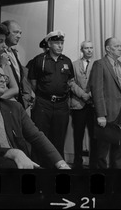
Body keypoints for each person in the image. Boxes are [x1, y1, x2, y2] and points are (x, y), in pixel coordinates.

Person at [0, 61, 70, 169]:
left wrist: (61, 163)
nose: (2, 80)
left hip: (21, 165)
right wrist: (12, 152)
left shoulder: (15, 108)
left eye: (4, 77)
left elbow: (37, 137)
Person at [28, 30, 74, 160]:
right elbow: (33, 82)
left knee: (59, 138)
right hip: (43, 104)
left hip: (61, 106)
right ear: (49, 44)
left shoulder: (67, 61)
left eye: (62, 43)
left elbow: (70, 82)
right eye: (57, 43)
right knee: (40, 137)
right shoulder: (39, 60)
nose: (60, 46)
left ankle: (57, 167)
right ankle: (38, 167)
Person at [89, 37, 121, 169]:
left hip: (120, 111)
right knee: (102, 150)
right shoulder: (100, 64)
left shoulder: (120, 65)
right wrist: (100, 114)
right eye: (116, 46)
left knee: (118, 147)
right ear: (108, 49)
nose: (120, 48)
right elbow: (97, 90)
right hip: (106, 112)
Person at [68, 41, 97, 169]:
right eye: (86, 48)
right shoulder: (73, 65)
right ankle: (77, 162)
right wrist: (82, 95)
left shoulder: (98, 64)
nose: (89, 50)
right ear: (82, 50)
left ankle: (94, 163)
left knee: (94, 135)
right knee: (78, 135)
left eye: (91, 48)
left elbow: (100, 82)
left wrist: (90, 94)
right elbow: (70, 82)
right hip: (78, 105)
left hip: (93, 105)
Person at [1, 20, 31, 109]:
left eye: (20, 33)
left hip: (19, 99)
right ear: (6, 33)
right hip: (6, 99)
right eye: (15, 32)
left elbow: (20, 76)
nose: (19, 36)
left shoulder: (14, 53)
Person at [0, 22, 19, 100]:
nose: (4, 45)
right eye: (0, 41)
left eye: (4, 41)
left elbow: (15, 89)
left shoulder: (3, 58)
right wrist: (2, 65)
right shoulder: (2, 61)